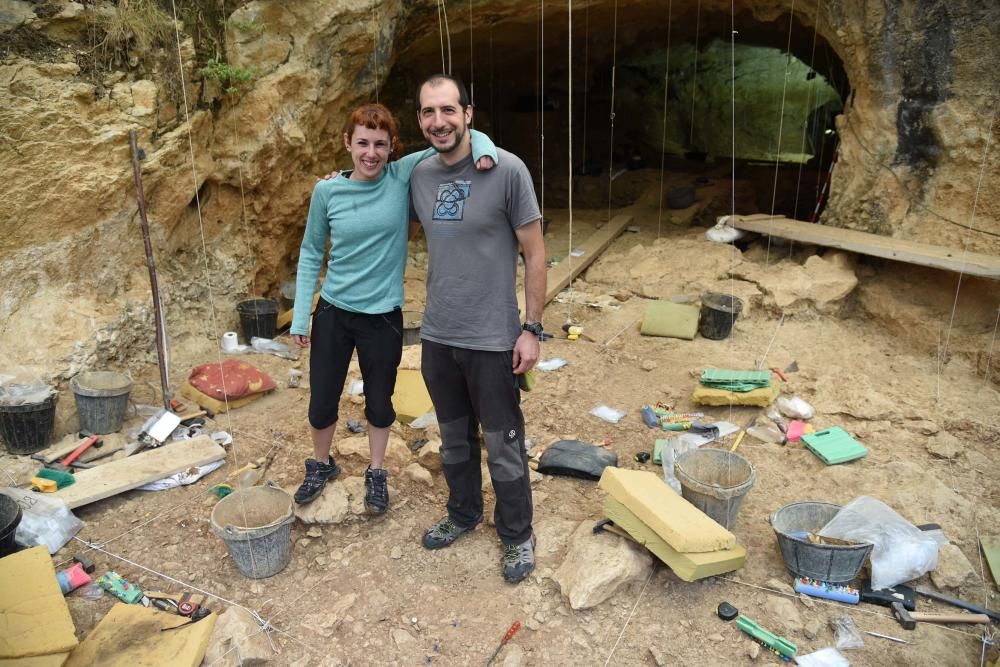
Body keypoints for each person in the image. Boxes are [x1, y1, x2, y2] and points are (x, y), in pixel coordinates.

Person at [290, 102, 498, 512]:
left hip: (383, 315)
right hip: (334, 311)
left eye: (380, 145)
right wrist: (300, 316)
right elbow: (311, 252)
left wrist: (486, 151)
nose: (371, 153)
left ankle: (377, 470)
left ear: (392, 147)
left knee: (380, 402)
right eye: (362, 143)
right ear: (347, 143)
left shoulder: (401, 175)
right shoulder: (326, 191)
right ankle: (321, 464)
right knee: (322, 400)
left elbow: (455, 137)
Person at [408, 74, 546, 583]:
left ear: (468, 113)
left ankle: (516, 533)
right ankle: (463, 513)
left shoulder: (507, 170)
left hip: (492, 337)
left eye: (448, 110)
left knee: (503, 442)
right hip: (438, 335)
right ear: (419, 119)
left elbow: (535, 253)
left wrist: (531, 328)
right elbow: (373, 175)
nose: (438, 121)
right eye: (428, 112)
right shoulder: (419, 175)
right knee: (453, 439)